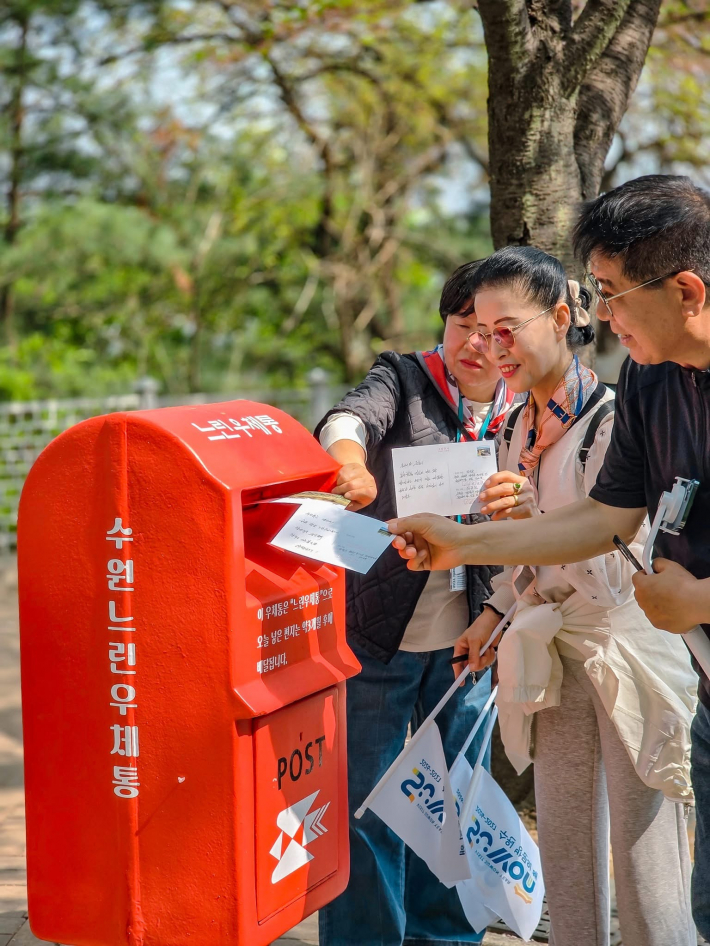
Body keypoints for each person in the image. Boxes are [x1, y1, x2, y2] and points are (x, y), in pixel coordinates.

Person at [387, 174, 710, 942]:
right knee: (588, 866)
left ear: (687, 291)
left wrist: (698, 601)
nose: (606, 316)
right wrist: (466, 547)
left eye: (612, 294)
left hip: (631, 651)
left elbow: (612, 550)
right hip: (636, 660)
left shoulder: (606, 407)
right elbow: (603, 520)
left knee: (651, 881)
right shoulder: (647, 381)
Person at [452, 245, 696, 946]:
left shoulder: (616, 419)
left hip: (627, 652)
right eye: (480, 330)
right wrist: (493, 614)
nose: (491, 347)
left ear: (562, 318)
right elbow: (524, 563)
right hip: (551, 649)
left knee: (647, 867)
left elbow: (624, 568)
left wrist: (529, 521)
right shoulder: (513, 427)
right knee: (565, 853)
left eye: (507, 329)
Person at [314, 263, 517, 946]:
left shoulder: (527, 406)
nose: (476, 344)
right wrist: (349, 462)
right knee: (367, 801)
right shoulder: (402, 379)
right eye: (463, 325)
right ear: (444, 323)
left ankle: (446, 937)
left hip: (473, 639)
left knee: (455, 800)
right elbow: (347, 418)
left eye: (494, 331)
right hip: (378, 635)